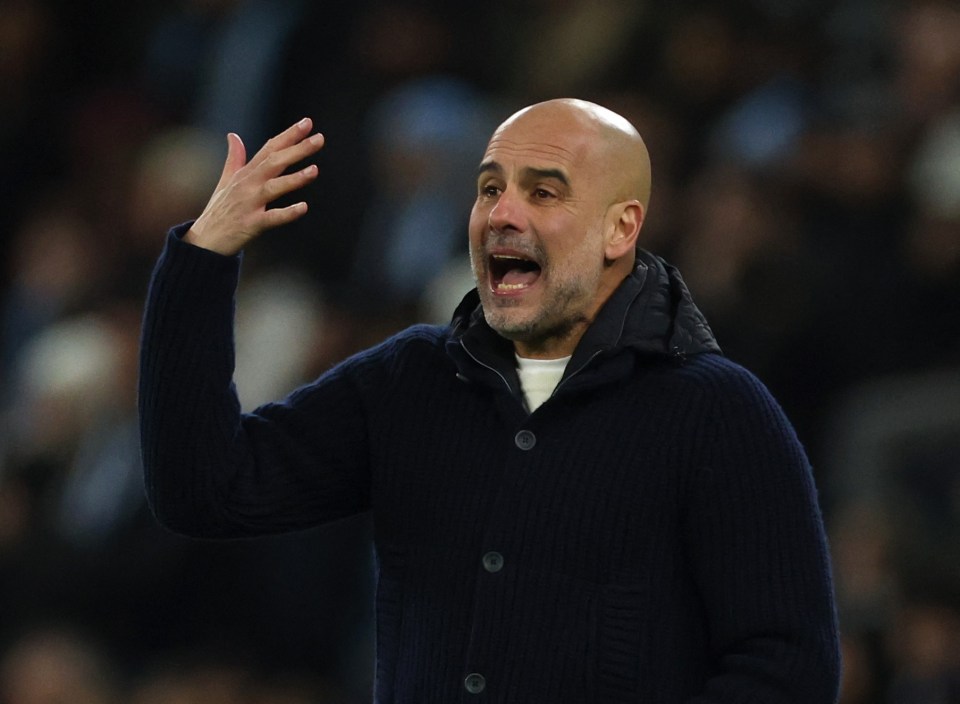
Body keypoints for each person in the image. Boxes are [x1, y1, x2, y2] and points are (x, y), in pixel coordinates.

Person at [139, 99, 841, 702]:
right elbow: (206, 490)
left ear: (620, 228)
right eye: (488, 189)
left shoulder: (719, 412)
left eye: (543, 192)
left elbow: (788, 667)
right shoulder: (409, 379)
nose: (501, 214)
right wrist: (202, 259)